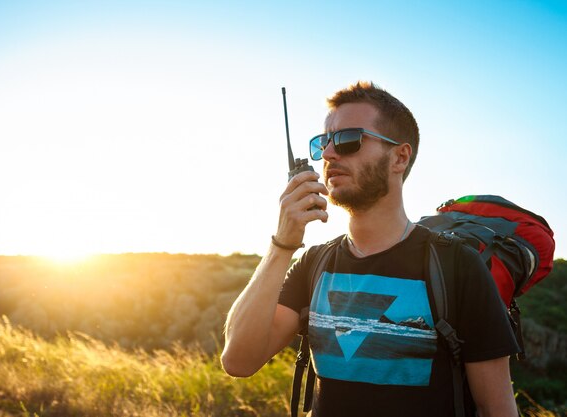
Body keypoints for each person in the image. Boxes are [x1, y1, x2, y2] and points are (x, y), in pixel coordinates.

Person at [221, 81, 520, 417]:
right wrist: (282, 245)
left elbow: (497, 408)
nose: (330, 154)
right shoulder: (313, 264)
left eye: (349, 140)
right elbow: (238, 361)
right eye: (323, 143)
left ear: (399, 157)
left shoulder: (455, 265)